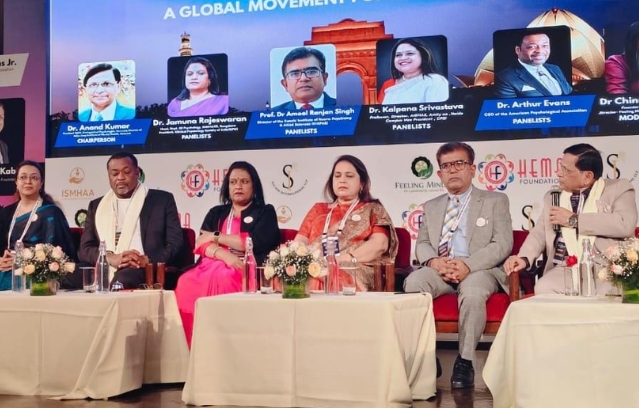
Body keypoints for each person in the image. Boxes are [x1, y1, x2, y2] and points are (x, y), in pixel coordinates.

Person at [403, 142, 512, 389]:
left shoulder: (495, 200)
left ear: (472, 169)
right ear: (439, 174)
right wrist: (434, 262)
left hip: (480, 269)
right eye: (446, 166)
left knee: (472, 292)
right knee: (414, 283)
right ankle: (426, 356)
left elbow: (503, 243)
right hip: (440, 269)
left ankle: (465, 361)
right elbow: (422, 243)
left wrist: (468, 265)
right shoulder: (432, 206)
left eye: (459, 163)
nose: (452, 170)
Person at [504, 143, 638, 294]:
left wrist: (574, 220)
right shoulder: (553, 197)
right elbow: (539, 233)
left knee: (610, 292)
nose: (558, 173)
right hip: (566, 267)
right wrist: (524, 258)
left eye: (565, 170)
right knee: (544, 287)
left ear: (587, 177)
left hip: (606, 267)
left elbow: (624, 224)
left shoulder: (618, 188)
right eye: (560, 167)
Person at [175, 161, 280, 346]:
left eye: (244, 182)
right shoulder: (217, 212)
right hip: (212, 264)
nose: (238, 186)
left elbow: (253, 242)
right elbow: (201, 243)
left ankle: (224, 344)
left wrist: (215, 236)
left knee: (226, 275)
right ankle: (190, 345)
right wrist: (224, 255)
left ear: (254, 186)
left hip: (245, 266)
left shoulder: (265, 212)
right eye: (233, 182)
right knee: (185, 281)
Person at [0, 161, 79, 293]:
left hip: (36, 272)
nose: (28, 181)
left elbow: (55, 251)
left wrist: (21, 260)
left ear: (41, 183)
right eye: (23, 177)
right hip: (7, 268)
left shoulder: (51, 212)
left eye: (34, 177)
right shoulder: (6, 212)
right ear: (16, 182)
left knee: (5, 283)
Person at [78, 153, 187, 289]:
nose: (120, 177)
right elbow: (84, 249)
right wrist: (109, 258)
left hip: (142, 268)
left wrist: (148, 260)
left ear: (137, 172)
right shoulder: (96, 206)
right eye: (114, 173)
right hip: (107, 264)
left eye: (126, 172)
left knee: (122, 279)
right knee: (66, 275)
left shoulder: (161, 200)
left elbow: (175, 244)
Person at [296, 154, 397, 292]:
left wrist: (342, 259)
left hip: (353, 267)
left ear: (362, 183)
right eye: (337, 176)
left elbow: (380, 244)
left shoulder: (373, 209)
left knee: (329, 276)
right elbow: (299, 242)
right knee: (286, 274)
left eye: (349, 176)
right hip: (315, 265)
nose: (342, 180)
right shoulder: (318, 209)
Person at [493, 32, 573, 98]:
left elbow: (570, 95)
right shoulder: (504, 78)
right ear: (518, 50)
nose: (540, 51)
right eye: (532, 47)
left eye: (544, 46)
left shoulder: (555, 68)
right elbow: (509, 109)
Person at [378, 38, 451, 104]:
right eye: (398, 55)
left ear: (423, 57)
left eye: (410, 53)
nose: (403, 58)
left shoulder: (434, 81)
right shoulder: (388, 84)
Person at [272, 46, 337, 110]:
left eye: (311, 72)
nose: (303, 78)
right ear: (285, 84)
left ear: (324, 79)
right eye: (295, 74)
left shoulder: (341, 106)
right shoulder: (273, 113)